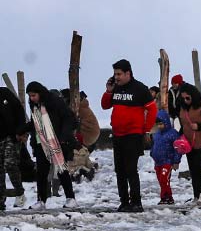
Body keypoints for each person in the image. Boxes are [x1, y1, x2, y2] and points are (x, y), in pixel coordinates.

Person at [101, 59, 157, 213]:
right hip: (118, 134)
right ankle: (124, 202)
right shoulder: (115, 88)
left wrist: (146, 130)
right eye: (115, 74)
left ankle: (136, 202)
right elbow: (105, 106)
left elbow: (152, 110)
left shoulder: (140, 89)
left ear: (128, 73)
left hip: (133, 134)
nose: (116, 77)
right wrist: (109, 91)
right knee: (120, 170)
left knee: (131, 169)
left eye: (119, 74)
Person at [19, 82, 78, 210]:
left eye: (34, 95)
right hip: (41, 143)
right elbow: (35, 122)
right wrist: (21, 130)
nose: (32, 98)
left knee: (61, 169)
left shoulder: (54, 101)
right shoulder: (34, 106)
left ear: (40, 93)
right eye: (30, 96)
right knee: (41, 172)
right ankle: (41, 200)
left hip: (56, 141)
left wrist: (63, 137)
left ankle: (70, 198)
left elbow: (69, 118)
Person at [177, 82, 201, 203]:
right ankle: (197, 195)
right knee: (193, 168)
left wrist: (199, 126)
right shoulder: (183, 108)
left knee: (197, 165)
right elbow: (184, 125)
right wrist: (179, 136)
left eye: (187, 98)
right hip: (190, 144)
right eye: (183, 98)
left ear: (193, 96)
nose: (185, 100)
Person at [59, 89, 101, 183]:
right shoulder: (81, 104)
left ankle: (79, 170)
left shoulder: (76, 107)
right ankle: (87, 166)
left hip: (86, 135)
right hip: (91, 134)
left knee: (74, 149)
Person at [0, 87, 26, 209]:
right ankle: (0, 201)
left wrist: (20, 131)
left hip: (10, 136)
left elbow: (19, 111)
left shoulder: (5, 93)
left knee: (9, 164)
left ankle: (19, 192)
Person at [149, 111, 181, 205]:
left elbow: (178, 149)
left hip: (168, 161)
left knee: (164, 178)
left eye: (161, 124)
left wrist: (176, 161)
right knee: (161, 180)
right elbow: (154, 145)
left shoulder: (172, 134)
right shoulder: (157, 134)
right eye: (158, 124)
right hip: (158, 162)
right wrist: (152, 153)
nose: (159, 126)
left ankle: (168, 196)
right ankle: (164, 197)